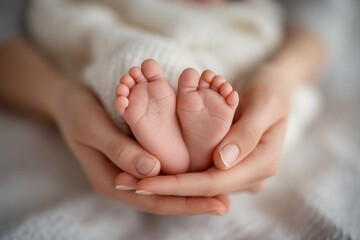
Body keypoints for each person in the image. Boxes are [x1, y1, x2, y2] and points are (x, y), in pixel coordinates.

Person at [0, 0, 325, 215]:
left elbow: (324, 15)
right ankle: (185, 144)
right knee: (135, 54)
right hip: (132, 15)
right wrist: (63, 101)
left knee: (249, 78)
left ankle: (181, 141)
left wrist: (280, 75)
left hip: (227, 28)